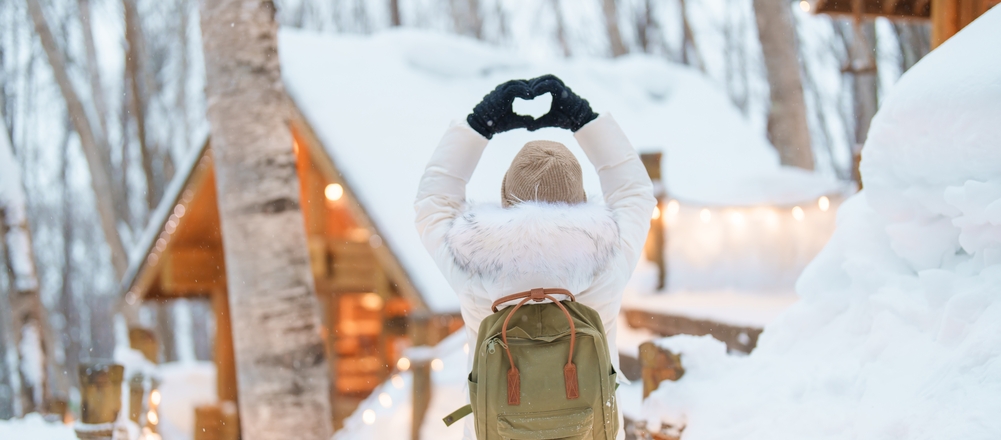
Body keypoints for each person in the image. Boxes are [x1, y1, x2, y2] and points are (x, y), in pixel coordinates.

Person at [414, 75, 656, 440]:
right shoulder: (607, 253)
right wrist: (583, 119)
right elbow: (634, 191)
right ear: (580, 198)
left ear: (507, 197)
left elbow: (432, 202)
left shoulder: (475, 261)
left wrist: (479, 124)